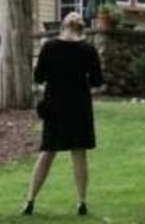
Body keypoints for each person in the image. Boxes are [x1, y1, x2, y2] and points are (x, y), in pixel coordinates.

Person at [23, 11, 104, 217]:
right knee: (79, 153)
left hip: (55, 105)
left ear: (63, 27)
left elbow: (39, 76)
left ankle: (30, 200)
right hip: (79, 106)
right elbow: (96, 81)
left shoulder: (49, 47)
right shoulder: (88, 49)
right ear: (81, 29)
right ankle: (82, 202)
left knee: (47, 152)